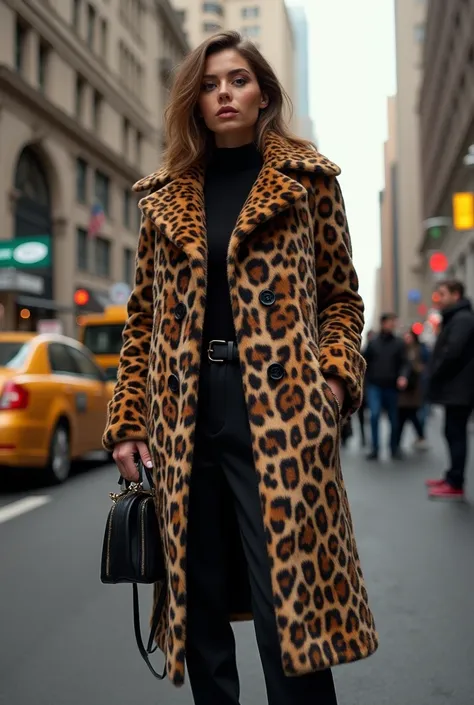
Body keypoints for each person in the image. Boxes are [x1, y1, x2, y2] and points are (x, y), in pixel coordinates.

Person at [103, 31, 378, 705]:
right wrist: (127, 420)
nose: (223, 93)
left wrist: (333, 380)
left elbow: (341, 298)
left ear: (264, 96)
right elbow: (143, 318)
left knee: (290, 605)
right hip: (185, 412)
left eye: (238, 80)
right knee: (198, 607)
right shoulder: (163, 197)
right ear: (194, 103)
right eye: (209, 83)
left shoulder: (308, 182)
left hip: (280, 413)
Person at [426, 280, 474, 500]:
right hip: (456, 388)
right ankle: (451, 476)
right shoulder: (456, 318)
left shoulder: (462, 319)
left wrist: (435, 371)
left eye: (442, 294)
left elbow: (452, 352)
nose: (439, 298)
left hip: (460, 389)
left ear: (456, 295)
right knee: (451, 432)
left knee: (456, 434)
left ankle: (456, 483)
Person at [364, 313, 410, 460]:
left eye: (393, 322)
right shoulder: (373, 343)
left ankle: (394, 448)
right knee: (374, 415)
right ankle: (375, 449)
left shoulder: (399, 343)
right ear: (383, 323)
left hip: (391, 386)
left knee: (394, 419)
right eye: (390, 322)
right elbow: (364, 362)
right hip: (375, 385)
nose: (392, 325)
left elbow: (405, 363)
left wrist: (403, 376)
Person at [396, 331, 428, 451]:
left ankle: (419, 436)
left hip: (414, 388)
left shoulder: (418, 350)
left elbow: (424, 365)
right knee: (404, 415)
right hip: (403, 390)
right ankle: (399, 442)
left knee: (411, 414)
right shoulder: (402, 350)